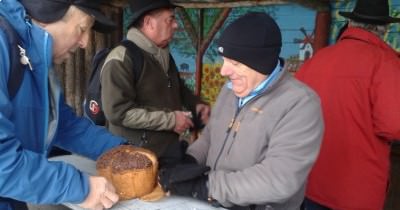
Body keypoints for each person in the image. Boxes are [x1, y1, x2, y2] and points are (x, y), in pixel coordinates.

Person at [159, 12, 324, 210]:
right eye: (224, 60)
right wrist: (189, 161)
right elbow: (210, 137)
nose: (223, 71)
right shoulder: (230, 90)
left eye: (235, 63)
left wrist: (206, 186)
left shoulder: (300, 104)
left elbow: (279, 179)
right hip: (213, 202)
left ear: (261, 63)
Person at [0, 0, 128, 209]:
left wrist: (121, 151)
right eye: (82, 29)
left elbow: (64, 125)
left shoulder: (37, 65)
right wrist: (80, 188)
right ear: (46, 16)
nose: (85, 42)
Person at [295, 0, 400, 209]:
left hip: (309, 182)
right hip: (357, 191)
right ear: (384, 30)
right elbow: (394, 126)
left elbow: (290, 115)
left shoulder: (316, 60)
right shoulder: (387, 63)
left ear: (351, 24)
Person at [100, 0, 210, 166]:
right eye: (170, 19)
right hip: (134, 162)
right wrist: (171, 120)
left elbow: (175, 86)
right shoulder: (122, 59)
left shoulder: (163, 55)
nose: (175, 25)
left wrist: (195, 104)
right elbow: (118, 113)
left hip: (166, 153)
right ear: (149, 23)